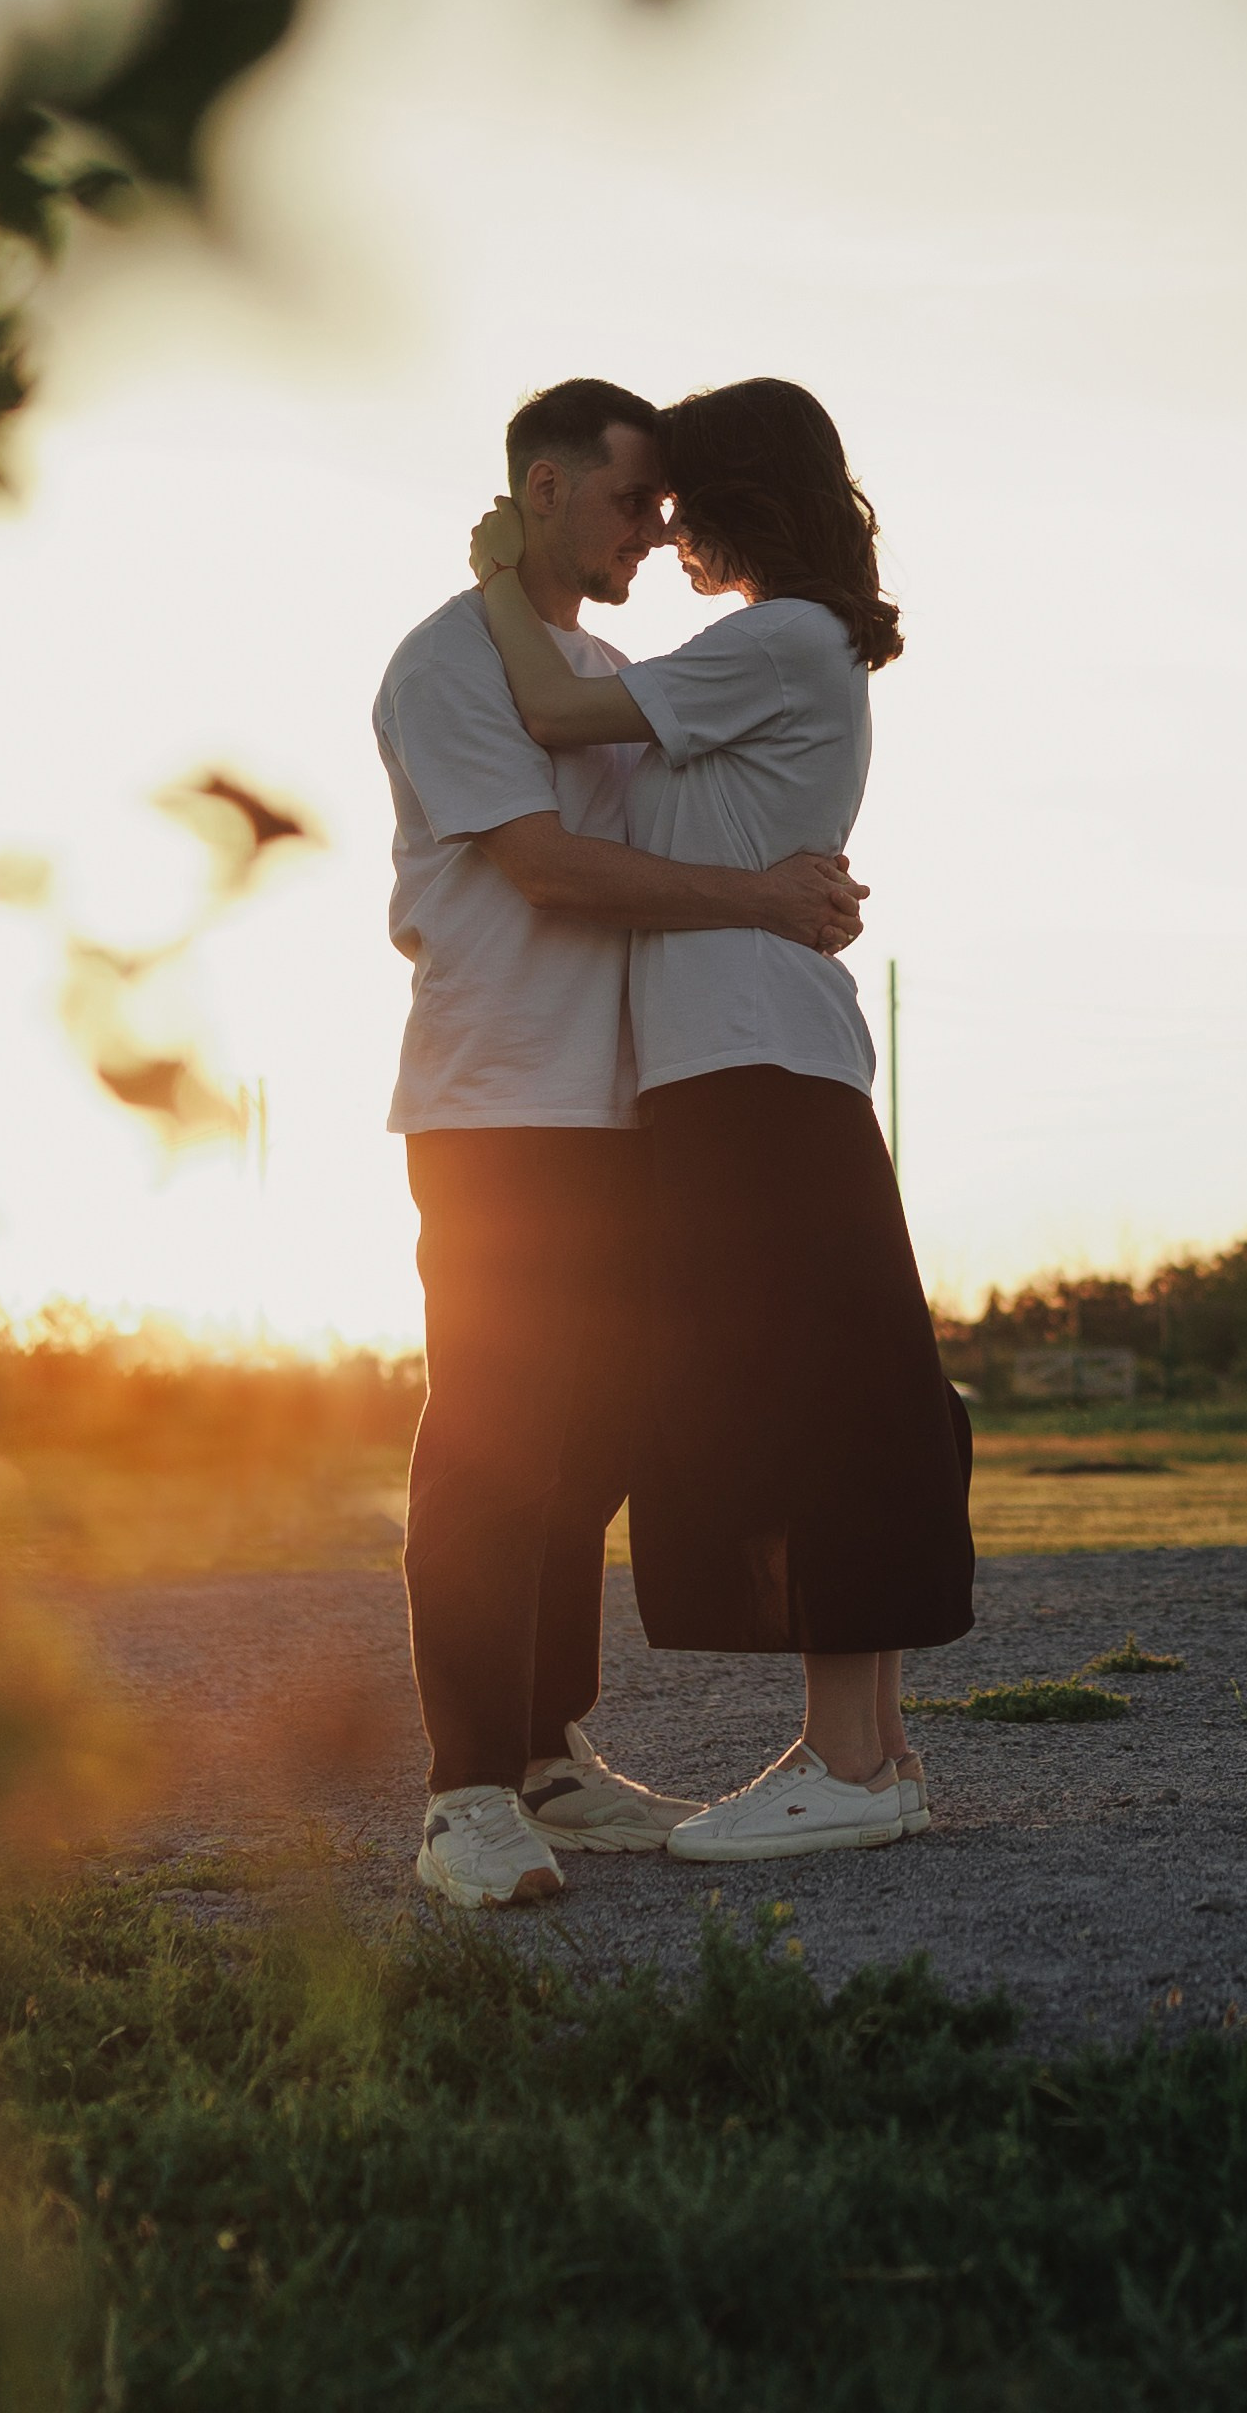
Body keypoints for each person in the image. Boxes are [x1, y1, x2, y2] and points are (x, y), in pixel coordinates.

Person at [377, 377, 868, 1910]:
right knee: (492, 1438)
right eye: (630, 502)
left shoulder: (595, 667)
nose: (658, 529)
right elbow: (547, 870)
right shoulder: (451, 662)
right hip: (498, 1102)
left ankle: (544, 1756)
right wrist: (764, 901)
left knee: (595, 1443)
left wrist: (788, 881)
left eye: (665, 507)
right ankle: (464, 1798)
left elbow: (686, 817)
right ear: (543, 489)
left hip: (624, 1108)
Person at [471, 376, 973, 1861]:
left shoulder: (777, 638)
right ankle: (869, 1758)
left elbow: (555, 707)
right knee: (833, 1384)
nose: (669, 527)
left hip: (748, 1062)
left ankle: (849, 1761)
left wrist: (496, 579)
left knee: (822, 1395)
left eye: (683, 500)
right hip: (755, 1058)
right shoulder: (791, 644)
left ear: (745, 498)